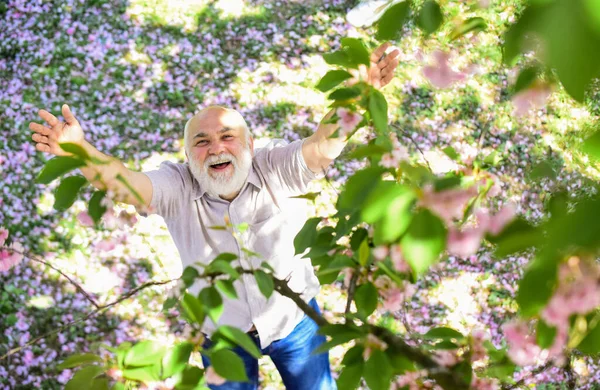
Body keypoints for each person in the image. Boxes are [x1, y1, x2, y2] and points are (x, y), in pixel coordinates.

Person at [29, 43, 399, 390]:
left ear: (251, 145)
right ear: (189, 156)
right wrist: (78, 150)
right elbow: (128, 185)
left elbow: (321, 148)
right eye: (201, 142)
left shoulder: (273, 166)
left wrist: (357, 96)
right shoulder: (178, 186)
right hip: (223, 335)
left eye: (228, 136)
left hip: (295, 320)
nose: (216, 148)